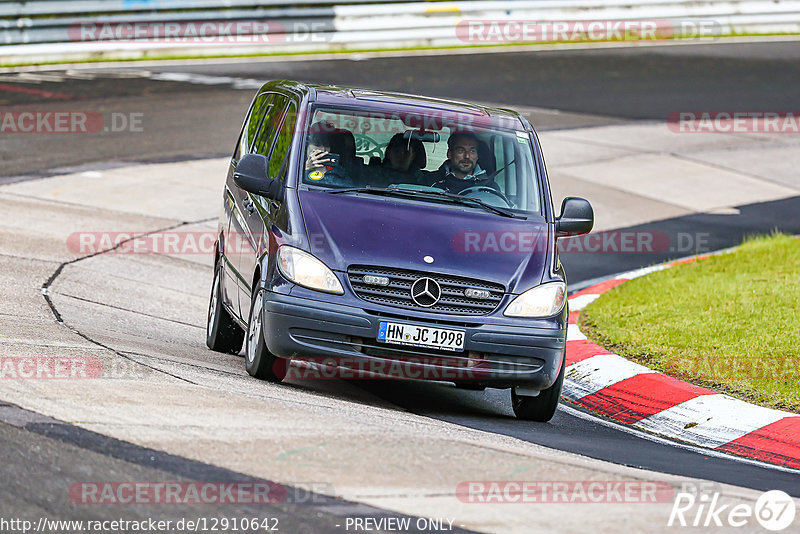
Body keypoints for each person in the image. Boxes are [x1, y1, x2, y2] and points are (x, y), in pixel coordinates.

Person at [424, 132, 498, 194]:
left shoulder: (490, 188)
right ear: (449, 154)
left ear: (477, 156)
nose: (467, 156)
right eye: (461, 151)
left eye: (472, 151)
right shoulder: (430, 181)